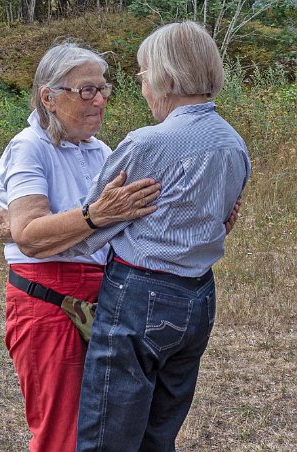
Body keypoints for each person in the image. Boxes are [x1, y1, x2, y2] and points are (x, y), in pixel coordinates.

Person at [70, 22, 251, 451]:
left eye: (143, 72)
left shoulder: (149, 142)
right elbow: (223, 218)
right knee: (160, 431)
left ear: (168, 77)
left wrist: (21, 232)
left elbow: (91, 224)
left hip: (140, 293)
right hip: (199, 296)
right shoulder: (234, 143)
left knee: (106, 436)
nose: (140, 82)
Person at [0, 42, 162, 452]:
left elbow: (125, 217)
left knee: (102, 428)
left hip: (101, 296)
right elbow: (32, 235)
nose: (100, 99)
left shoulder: (101, 150)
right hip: (48, 303)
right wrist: (93, 215)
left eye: (103, 89)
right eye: (86, 90)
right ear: (49, 97)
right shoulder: (29, 147)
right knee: (61, 434)